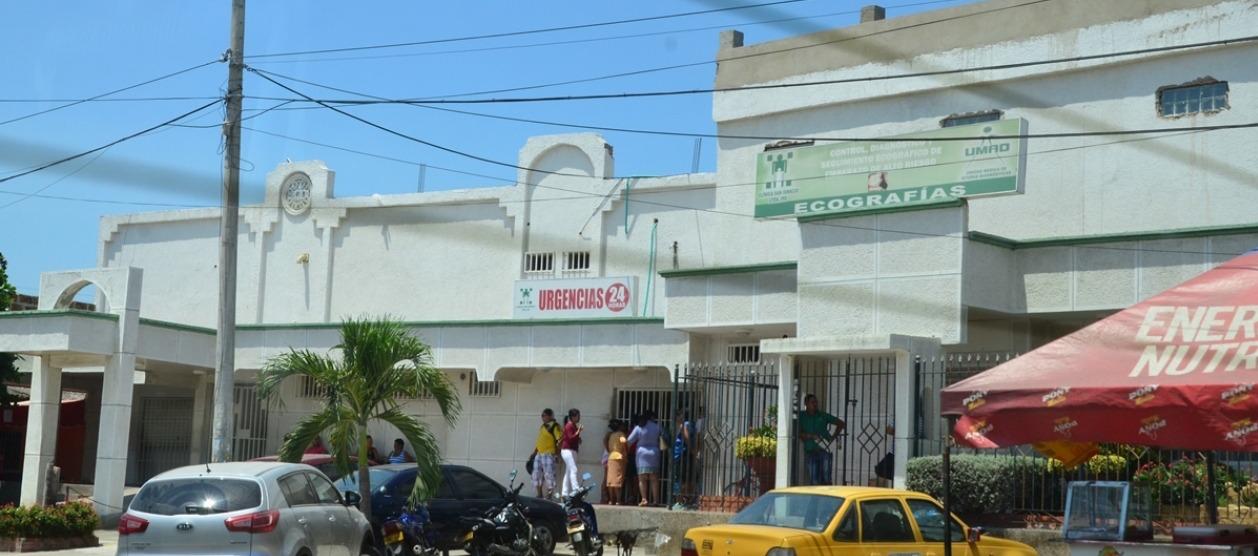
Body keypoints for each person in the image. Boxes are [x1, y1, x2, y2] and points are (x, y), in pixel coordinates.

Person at [799, 394, 844, 485]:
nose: (815, 404)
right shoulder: (801, 416)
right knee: (814, 480)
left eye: (816, 402)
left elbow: (841, 423)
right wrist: (810, 436)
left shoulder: (822, 415)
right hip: (810, 451)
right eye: (812, 402)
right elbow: (797, 432)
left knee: (826, 479)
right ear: (806, 404)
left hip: (824, 450)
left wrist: (834, 436)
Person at [627, 410, 661, 506]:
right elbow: (664, 437)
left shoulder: (639, 427)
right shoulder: (657, 426)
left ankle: (644, 499)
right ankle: (655, 500)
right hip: (654, 452)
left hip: (641, 454)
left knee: (642, 479)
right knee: (654, 478)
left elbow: (629, 441)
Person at [531, 408, 563, 498]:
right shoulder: (542, 426)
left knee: (549, 474)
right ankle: (539, 494)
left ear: (549, 416)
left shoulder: (555, 426)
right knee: (536, 474)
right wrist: (534, 453)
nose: (542, 417)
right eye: (542, 415)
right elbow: (539, 440)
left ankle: (549, 495)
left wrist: (557, 454)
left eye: (544, 415)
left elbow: (559, 440)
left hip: (549, 454)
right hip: (539, 454)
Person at [672, 412, 697, 508]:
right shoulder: (691, 424)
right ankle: (686, 500)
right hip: (683, 454)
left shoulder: (684, 424)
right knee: (686, 478)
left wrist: (691, 449)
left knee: (681, 479)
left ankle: (681, 501)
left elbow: (686, 437)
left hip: (682, 454)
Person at [560, 408, 584, 497]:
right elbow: (570, 438)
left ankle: (564, 493)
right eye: (578, 416)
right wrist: (578, 432)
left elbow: (575, 438)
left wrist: (578, 436)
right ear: (573, 417)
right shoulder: (569, 425)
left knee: (568, 471)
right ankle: (576, 489)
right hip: (567, 450)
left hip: (572, 450)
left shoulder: (574, 426)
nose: (579, 417)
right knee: (573, 469)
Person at [605, 420, 628, 505]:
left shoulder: (611, 435)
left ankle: (611, 500)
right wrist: (626, 451)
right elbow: (624, 442)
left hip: (611, 457)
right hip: (619, 457)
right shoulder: (621, 434)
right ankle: (618, 500)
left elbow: (606, 443)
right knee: (618, 480)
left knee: (610, 481)